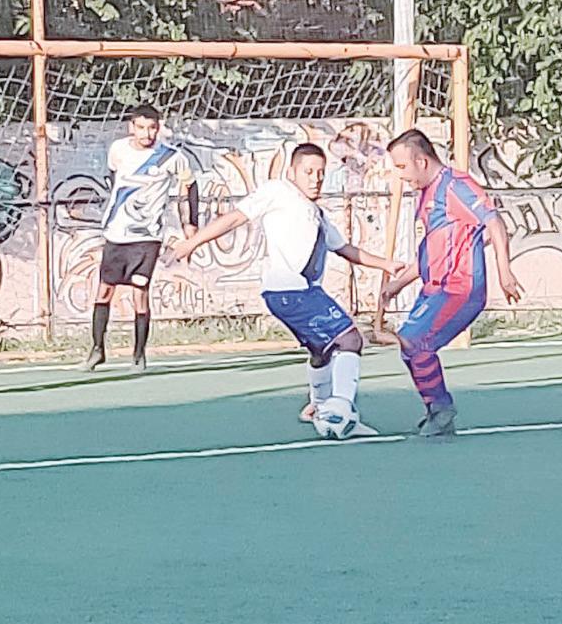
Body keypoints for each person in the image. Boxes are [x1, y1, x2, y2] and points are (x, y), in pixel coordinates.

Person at [168, 143, 403, 437]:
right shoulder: (278, 191)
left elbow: (344, 248)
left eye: (320, 173)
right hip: (292, 290)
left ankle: (319, 405)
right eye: (308, 172)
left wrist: (386, 264)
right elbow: (235, 217)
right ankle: (341, 413)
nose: (316, 179)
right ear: (292, 172)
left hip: (297, 292)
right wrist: (192, 242)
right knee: (350, 339)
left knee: (321, 350)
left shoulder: (317, 213)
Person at [378, 130, 523, 437]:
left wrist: (504, 270)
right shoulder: (426, 195)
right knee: (409, 347)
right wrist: (399, 283)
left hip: (460, 289)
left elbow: (494, 221)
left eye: (402, 167)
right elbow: (433, 251)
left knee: (416, 343)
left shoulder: (456, 185)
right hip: (434, 290)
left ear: (421, 161)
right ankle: (436, 410)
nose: (400, 175)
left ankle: (442, 411)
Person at [87, 104, 196, 371]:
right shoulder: (118, 150)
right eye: (141, 127)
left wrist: (191, 223)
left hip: (148, 236)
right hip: (116, 233)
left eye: (152, 128)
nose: (146, 133)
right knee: (104, 290)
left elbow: (190, 185)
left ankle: (138, 354)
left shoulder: (171, 157)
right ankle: (97, 349)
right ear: (131, 127)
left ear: (158, 128)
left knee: (140, 291)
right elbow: (114, 178)